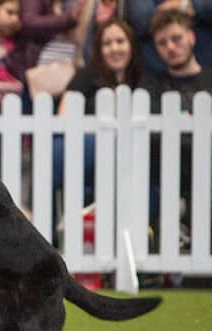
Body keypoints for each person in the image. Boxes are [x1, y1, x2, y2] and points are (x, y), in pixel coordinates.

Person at [52, 17, 140, 240]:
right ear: (99, 49)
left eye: (120, 41)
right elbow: (64, 116)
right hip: (85, 154)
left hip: (130, 157)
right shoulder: (87, 75)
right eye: (107, 43)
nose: (115, 48)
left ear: (131, 45)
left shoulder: (142, 79)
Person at [138, 9, 212, 255]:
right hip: (165, 175)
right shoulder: (150, 87)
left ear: (191, 37)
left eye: (176, 38)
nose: (170, 47)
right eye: (162, 42)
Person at [125, 0, 212, 74]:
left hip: (204, 61)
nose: (171, 47)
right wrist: (185, 6)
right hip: (157, 70)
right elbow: (142, 20)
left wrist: (184, 5)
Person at [0, 0, 23, 113]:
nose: (15, 19)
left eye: (19, 15)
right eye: (9, 12)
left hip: (15, 110)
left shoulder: (20, 44)